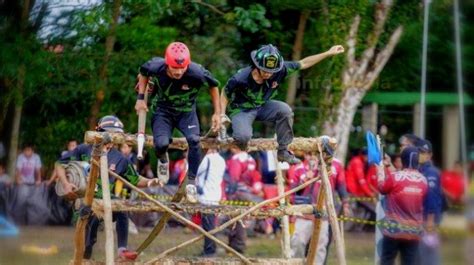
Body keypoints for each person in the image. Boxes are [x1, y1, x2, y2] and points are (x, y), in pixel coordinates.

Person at [56, 115, 161, 261]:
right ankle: (84, 257)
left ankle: (122, 250)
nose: (112, 138)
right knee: (87, 243)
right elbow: (59, 164)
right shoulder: (84, 149)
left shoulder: (120, 158)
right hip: (85, 201)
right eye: (110, 133)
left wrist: (151, 182)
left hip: (105, 200)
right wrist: (66, 184)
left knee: (122, 207)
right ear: (99, 131)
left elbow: (136, 179)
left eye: (116, 135)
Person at [220, 44, 344, 164]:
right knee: (243, 137)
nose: (268, 74)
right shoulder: (241, 77)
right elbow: (225, 93)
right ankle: (241, 138)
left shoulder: (281, 70)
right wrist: (220, 115)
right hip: (242, 110)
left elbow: (304, 63)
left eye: (271, 71)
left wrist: (328, 53)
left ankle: (283, 151)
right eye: (265, 71)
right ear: (256, 66)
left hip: (262, 106)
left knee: (285, 110)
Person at [135, 42, 221, 203]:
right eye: (175, 68)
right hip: (163, 111)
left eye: (183, 68)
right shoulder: (155, 66)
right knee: (161, 143)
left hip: (186, 113)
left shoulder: (197, 72)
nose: (179, 71)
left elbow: (214, 86)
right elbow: (143, 73)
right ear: (167, 63)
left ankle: (191, 182)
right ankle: (163, 160)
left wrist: (217, 112)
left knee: (195, 141)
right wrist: (140, 99)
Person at [290, 155, 349, 264]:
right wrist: (305, 180)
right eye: (310, 152)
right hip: (304, 214)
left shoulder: (335, 165)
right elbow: (292, 192)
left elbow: (341, 186)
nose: (313, 155)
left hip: (324, 214)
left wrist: (345, 204)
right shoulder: (299, 168)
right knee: (297, 242)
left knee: (320, 246)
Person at [377, 147, 428, 265]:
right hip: (414, 231)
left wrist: (380, 170)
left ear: (403, 160)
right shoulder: (423, 181)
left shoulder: (395, 177)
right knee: (409, 262)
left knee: (387, 260)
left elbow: (382, 188)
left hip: (394, 230)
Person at [416, 139, 443, 265]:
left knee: (429, 256)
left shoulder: (430, 172)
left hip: (428, 218)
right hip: (420, 218)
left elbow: (431, 196)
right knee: (420, 255)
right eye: (419, 152)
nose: (421, 155)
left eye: (424, 152)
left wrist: (430, 219)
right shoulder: (419, 170)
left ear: (430, 155)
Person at [196, 148, 225, 256]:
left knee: (208, 226)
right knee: (211, 224)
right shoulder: (222, 160)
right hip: (216, 194)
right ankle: (209, 249)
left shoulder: (207, 159)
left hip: (206, 195)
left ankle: (209, 251)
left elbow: (197, 171)